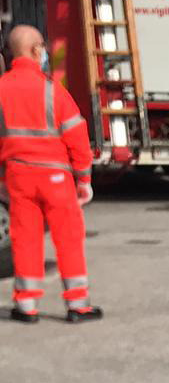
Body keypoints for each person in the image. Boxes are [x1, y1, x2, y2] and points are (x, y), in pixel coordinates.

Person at [0, 24, 102, 323]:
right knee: (68, 239)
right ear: (35, 50)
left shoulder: (1, 90)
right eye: (43, 46)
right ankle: (77, 305)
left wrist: (3, 180)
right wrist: (84, 179)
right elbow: (77, 136)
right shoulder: (51, 90)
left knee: (25, 239)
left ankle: (26, 306)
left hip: (18, 178)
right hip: (56, 178)